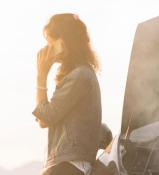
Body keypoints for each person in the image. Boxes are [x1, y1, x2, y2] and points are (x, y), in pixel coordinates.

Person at [32, 13, 102, 175]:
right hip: (69, 166)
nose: (47, 48)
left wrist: (41, 76)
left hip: (67, 166)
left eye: (51, 42)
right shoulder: (81, 74)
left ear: (64, 41)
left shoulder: (79, 76)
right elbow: (44, 120)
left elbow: (45, 117)